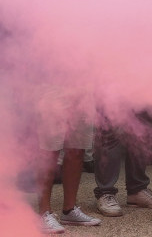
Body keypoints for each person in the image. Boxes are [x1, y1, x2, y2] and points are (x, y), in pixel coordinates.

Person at [34, 92, 102, 233]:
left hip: (82, 88)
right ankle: (44, 213)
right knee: (49, 148)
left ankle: (69, 210)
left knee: (77, 147)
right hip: (52, 86)